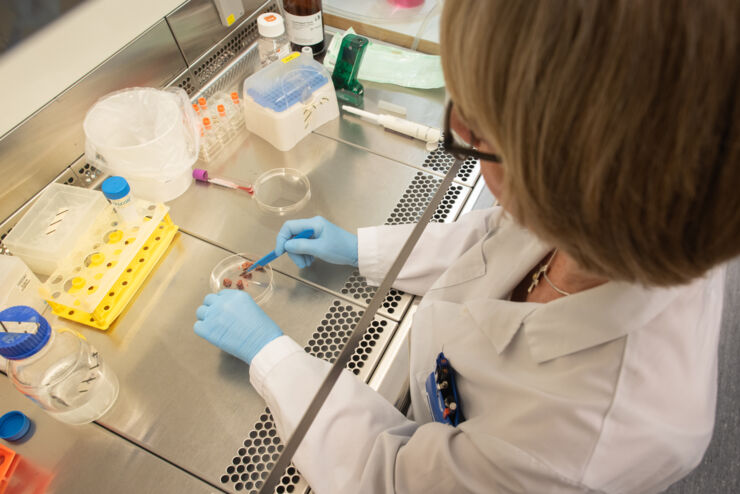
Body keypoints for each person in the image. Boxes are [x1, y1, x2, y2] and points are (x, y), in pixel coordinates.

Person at [194, 1, 740, 492]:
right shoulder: (617, 213)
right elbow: (502, 235)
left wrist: (274, 358)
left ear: (569, 183)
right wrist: (362, 248)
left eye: (477, 134)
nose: (459, 133)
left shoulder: (573, 448)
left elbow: (385, 477)